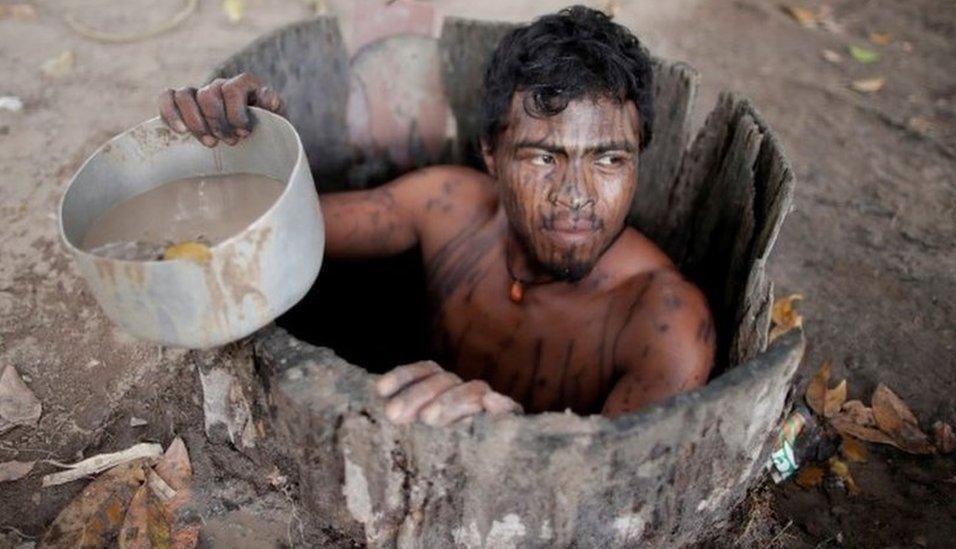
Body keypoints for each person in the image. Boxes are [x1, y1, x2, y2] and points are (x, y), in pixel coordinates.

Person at [157, 6, 715, 425]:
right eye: (545, 156)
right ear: (491, 154)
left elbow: (613, 496)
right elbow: (280, 230)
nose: (577, 195)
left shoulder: (663, 325)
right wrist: (249, 144)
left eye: (610, 159)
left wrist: (511, 433)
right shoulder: (446, 204)